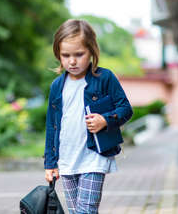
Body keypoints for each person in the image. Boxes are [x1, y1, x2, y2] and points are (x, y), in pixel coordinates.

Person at [44, 19, 133, 214]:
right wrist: (50, 163)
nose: (72, 61)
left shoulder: (105, 78)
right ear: (58, 54)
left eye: (79, 54)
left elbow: (126, 108)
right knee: (75, 211)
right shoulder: (57, 86)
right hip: (67, 160)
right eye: (65, 55)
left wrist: (105, 120)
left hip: (93, 157)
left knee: (86, 210)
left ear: (92, 51)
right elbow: (52, 125)